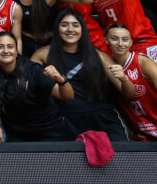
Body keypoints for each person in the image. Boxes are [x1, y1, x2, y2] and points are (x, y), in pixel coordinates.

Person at [32, 10, 132, 141]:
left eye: (75, 25)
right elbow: (27, 85)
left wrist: (124, 78)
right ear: (57, 28)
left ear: (82, 29)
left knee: (121, 158)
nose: (70, 29)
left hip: (102, 117)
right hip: (64, 120)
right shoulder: (44, 54)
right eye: (64, 25)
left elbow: (129, 93)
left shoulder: (99, 55)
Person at [0, 31, 73, 142]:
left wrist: (61, 80)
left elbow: (68, 96)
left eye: (10, 47)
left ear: (16, 51)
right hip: (16, 137)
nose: (5, 51)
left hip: (48, 133)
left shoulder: (33, 70)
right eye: (0, 47)